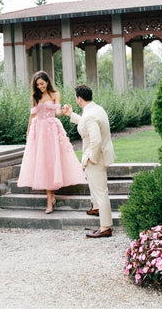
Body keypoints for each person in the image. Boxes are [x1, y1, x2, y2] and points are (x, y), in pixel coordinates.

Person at [17, 71, 86, 214]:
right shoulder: (35, 96)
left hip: (51, 131)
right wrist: (28, 131)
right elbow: (32, 115)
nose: (40, 87)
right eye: (37, 85)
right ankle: (50, 199)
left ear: (47, 82)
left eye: (42, 83)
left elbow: (58, 112)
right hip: (38, 131)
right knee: (42, 162)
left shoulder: (55, 94)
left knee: (51, 161)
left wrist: (65, 110)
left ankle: (50, 199)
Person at [62, 84, 115, 238]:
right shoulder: (96, 109)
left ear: (79, 99)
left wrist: (92, 158)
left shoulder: (90, 115)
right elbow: (86, 123)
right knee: (97, 188)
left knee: (101, 191)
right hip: (101, 155)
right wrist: (71, 114)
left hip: (96, 158)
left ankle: (105, 227)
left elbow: (96, 140)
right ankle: (96, 207)